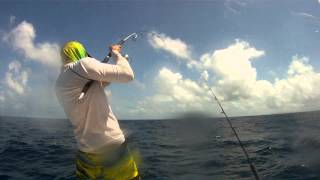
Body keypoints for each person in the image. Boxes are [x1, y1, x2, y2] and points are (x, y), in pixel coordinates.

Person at [55, 41, 140, 179]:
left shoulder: (61, 82)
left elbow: (100, 83)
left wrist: (115, 66)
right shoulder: (82, 65)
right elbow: (128, 75)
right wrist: (116, 53)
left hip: (85, 155)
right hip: (112, 149)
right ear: (80, 52)